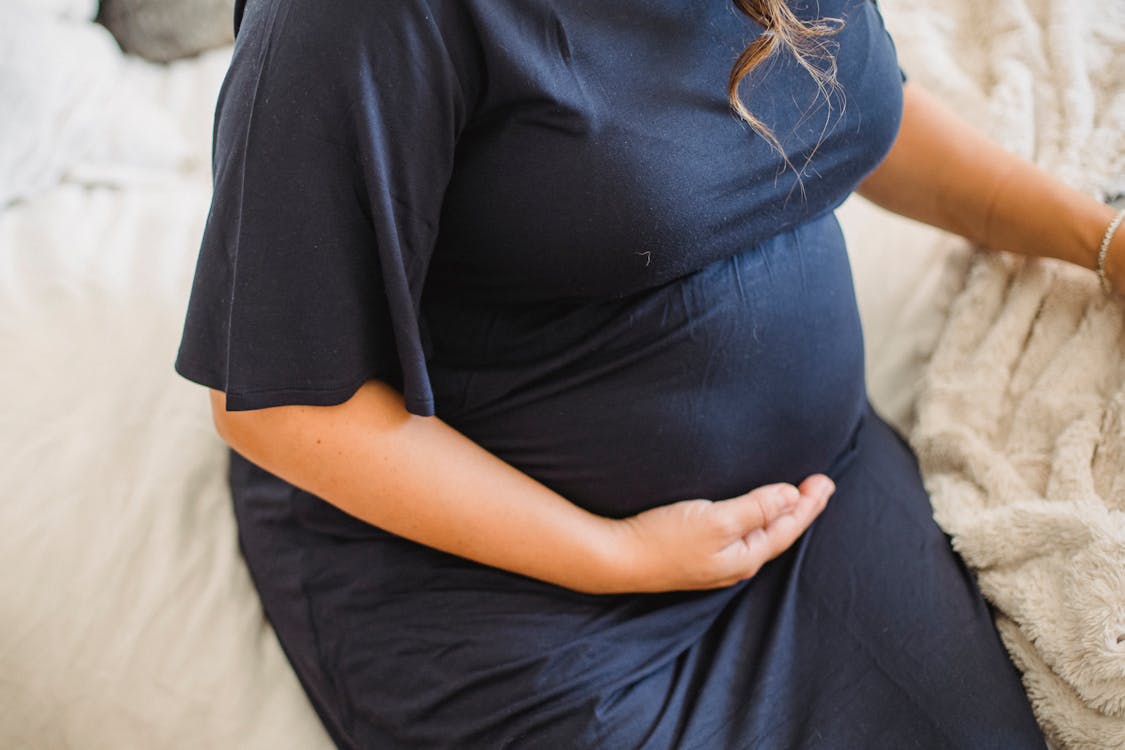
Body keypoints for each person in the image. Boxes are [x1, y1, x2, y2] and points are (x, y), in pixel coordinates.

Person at [173, 0, 1123, 746]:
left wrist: (1098, 238)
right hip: (505, 593)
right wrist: (616, 554)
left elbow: (834, 97)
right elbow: (280, 403)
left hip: (811, 500)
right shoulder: (351, 17)